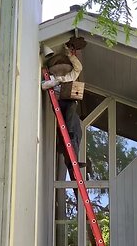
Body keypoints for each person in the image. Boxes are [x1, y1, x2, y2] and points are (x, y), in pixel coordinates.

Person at [42, 44, 87, 180]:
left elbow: (78, 68)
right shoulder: (52, 79)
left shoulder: (70, 76)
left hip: (70, 102)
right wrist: (55, 81)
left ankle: (72, 158)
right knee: (70, 131)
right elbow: (44, 85)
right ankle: (71, 161)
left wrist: (70, 55)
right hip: (61, 105)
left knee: (77, 131)